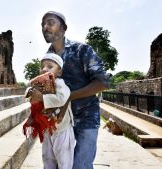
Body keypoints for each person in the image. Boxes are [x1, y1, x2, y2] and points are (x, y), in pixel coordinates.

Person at [41, 11, 110, 169]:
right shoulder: (47, 59)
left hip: (85, 119)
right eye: (42, 25)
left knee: (81, 165)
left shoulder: (82, 50)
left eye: (50, 22)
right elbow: (49, 91)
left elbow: (102, 82)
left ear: (63, 28)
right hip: (60, 123)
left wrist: (68, 98)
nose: (45, 27)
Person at [23, 53, 76, 169]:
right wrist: (30, 92)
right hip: (48, 130)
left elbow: (62, 99)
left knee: (64, 161)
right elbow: (30, 88)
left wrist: (41, 97)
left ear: (59, 72)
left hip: (62, 129)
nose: (44, 69)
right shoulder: (41, 83)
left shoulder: (60, 84)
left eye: (50, 66)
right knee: (47, 158)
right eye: (42, 67)